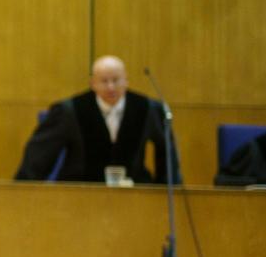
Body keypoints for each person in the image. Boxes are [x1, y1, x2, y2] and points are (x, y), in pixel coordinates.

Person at [15, 55, 179, 184]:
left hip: (134, 191)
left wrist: (166, 189)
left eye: (116, 80)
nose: (111, 87)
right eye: (104, 81)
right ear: (92, 83)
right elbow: (38, 156)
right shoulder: (69, 110)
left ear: (126, 81)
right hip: (79, 193)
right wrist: (24, 193)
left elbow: (167, 154)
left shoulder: (147, 108)